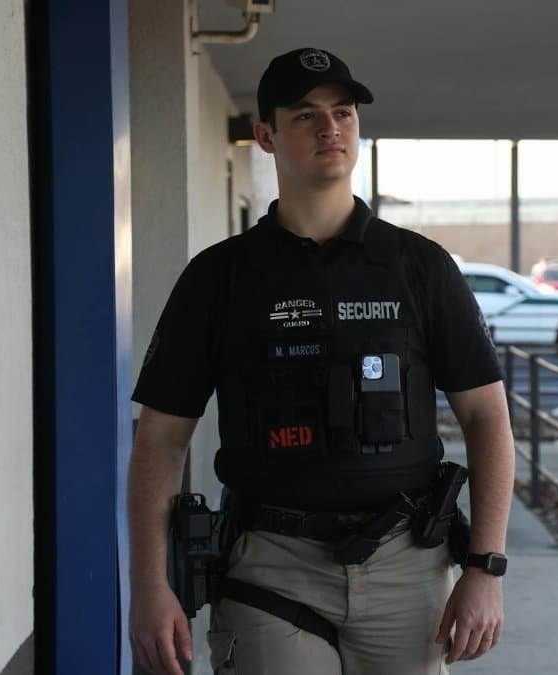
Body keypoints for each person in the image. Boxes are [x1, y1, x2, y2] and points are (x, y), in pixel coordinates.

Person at [127, 47, 515, 675]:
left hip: (406, 569)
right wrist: (149, 586)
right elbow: (160, 442)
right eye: (305, 115)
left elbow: (486, 419)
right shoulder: (219, 277)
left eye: (342, 112)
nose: (330, 127)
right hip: (271, 567)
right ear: (266, 136)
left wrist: (485, 568)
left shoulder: (420, 267)